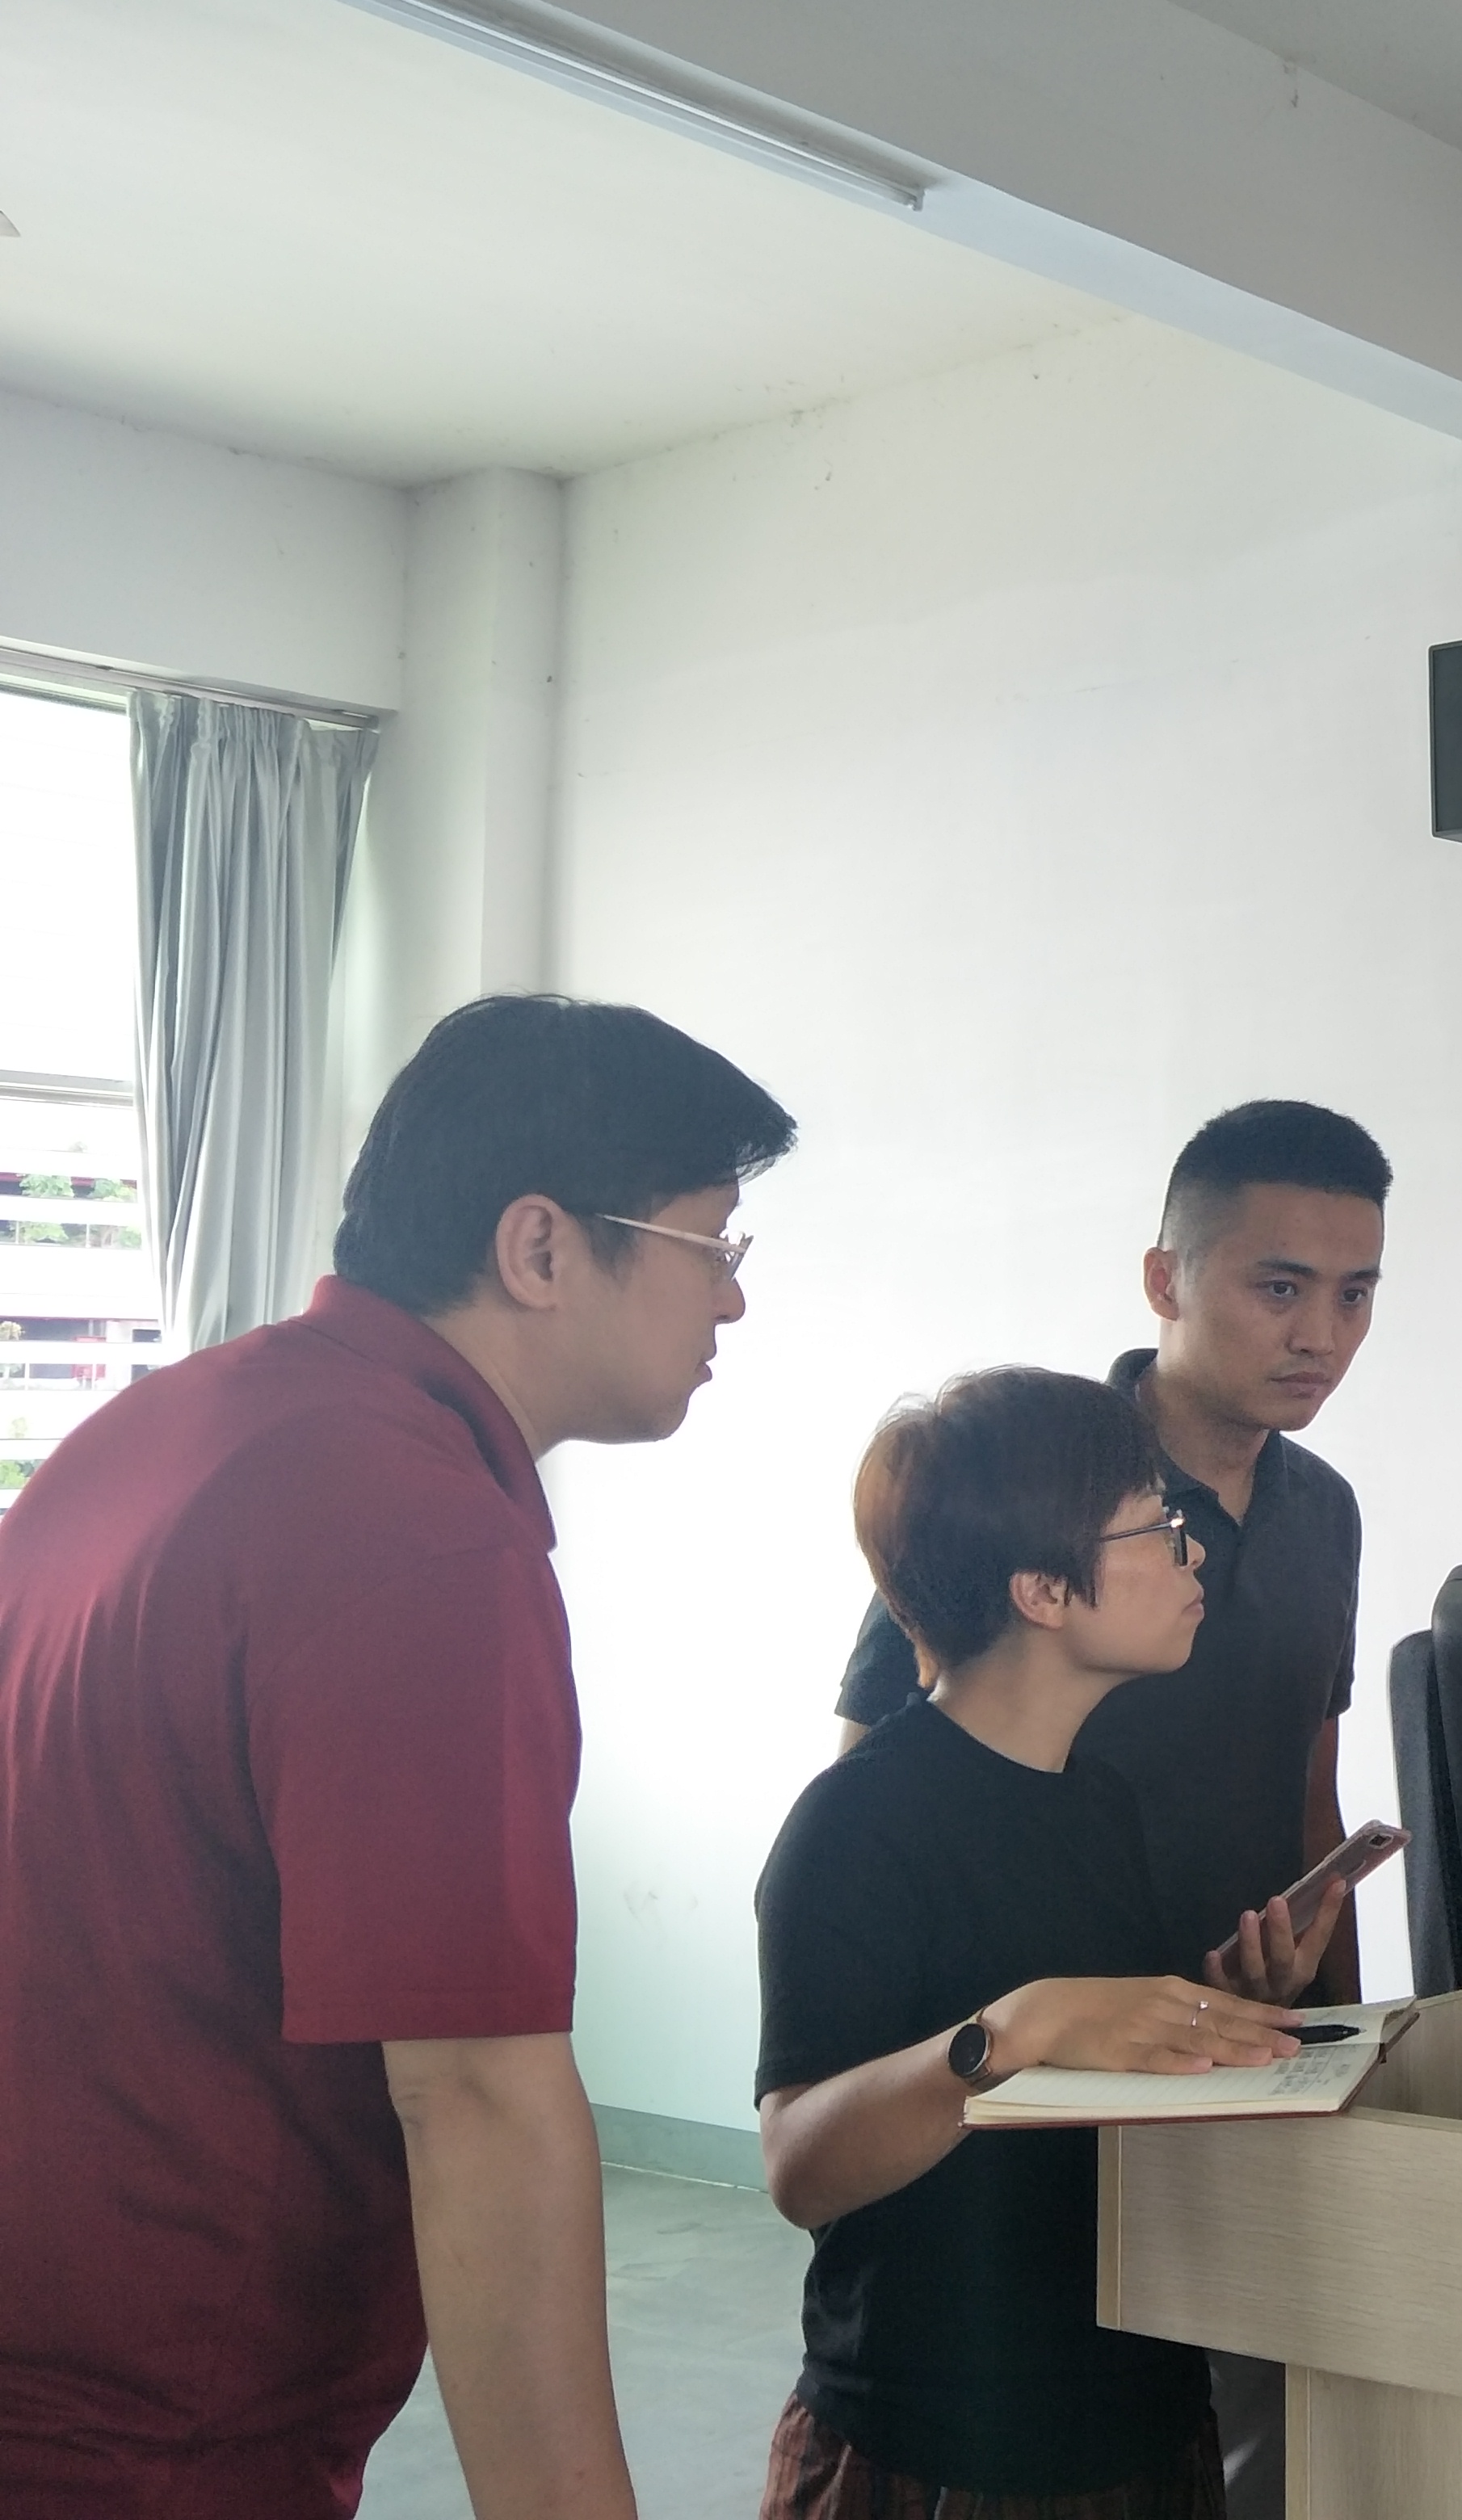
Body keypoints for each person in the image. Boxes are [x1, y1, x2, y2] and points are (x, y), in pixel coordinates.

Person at [0, 994, 796, 2519]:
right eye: (712, 1247)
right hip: (151, 2432)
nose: (733, 1302)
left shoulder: (161, 1426)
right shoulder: (414, 1531)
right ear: (542, 1247)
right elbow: (476, 2094)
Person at [827, 1098, 1388, 2518]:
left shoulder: (1324, 1510)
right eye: (1278, 1287)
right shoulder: (1026, 1484)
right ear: (1164, 1280)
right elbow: (876, 1784)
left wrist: (1336, 2045)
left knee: (1198, 2435)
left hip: (1224, 2053)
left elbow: (1306, 1784)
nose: (1320, 1334)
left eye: (1354, 1293)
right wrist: (963, 2055)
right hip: (1008, 2105)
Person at [758, 1370, 1343, 2520]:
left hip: (1135, 2410)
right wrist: (1010, 2033)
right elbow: (800, 2165)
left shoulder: (1098, 1798)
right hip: (946, 2442)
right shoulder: (859, 1823)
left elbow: (1092, 2066)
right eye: (1155, 1528)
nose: (1192, 1552)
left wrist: (1216, 2001)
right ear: (1040, 1589)